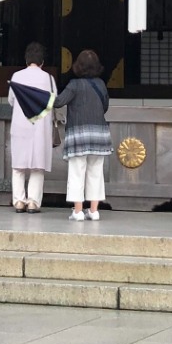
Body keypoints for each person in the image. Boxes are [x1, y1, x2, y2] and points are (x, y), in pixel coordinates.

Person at [55, 48, 111, 221]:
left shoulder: (73, 85)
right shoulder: (101, 84)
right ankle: (94, 211)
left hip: (78, 134)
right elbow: (105, 107)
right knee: (96, 172)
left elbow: (58, 102)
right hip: (99, 134)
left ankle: (78, 211)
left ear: (78, 66)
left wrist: (41, 95)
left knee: (77, 171)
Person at [6, 44, 56, 213]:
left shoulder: (16, 76)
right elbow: (52, 101)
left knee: (18, 166)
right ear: (42, 61)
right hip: (40, 127)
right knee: (37, 165)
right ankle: (33, 202)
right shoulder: (48, 79)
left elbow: (11, 100)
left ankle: (19, 201)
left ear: (26, 60)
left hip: (21, 125)